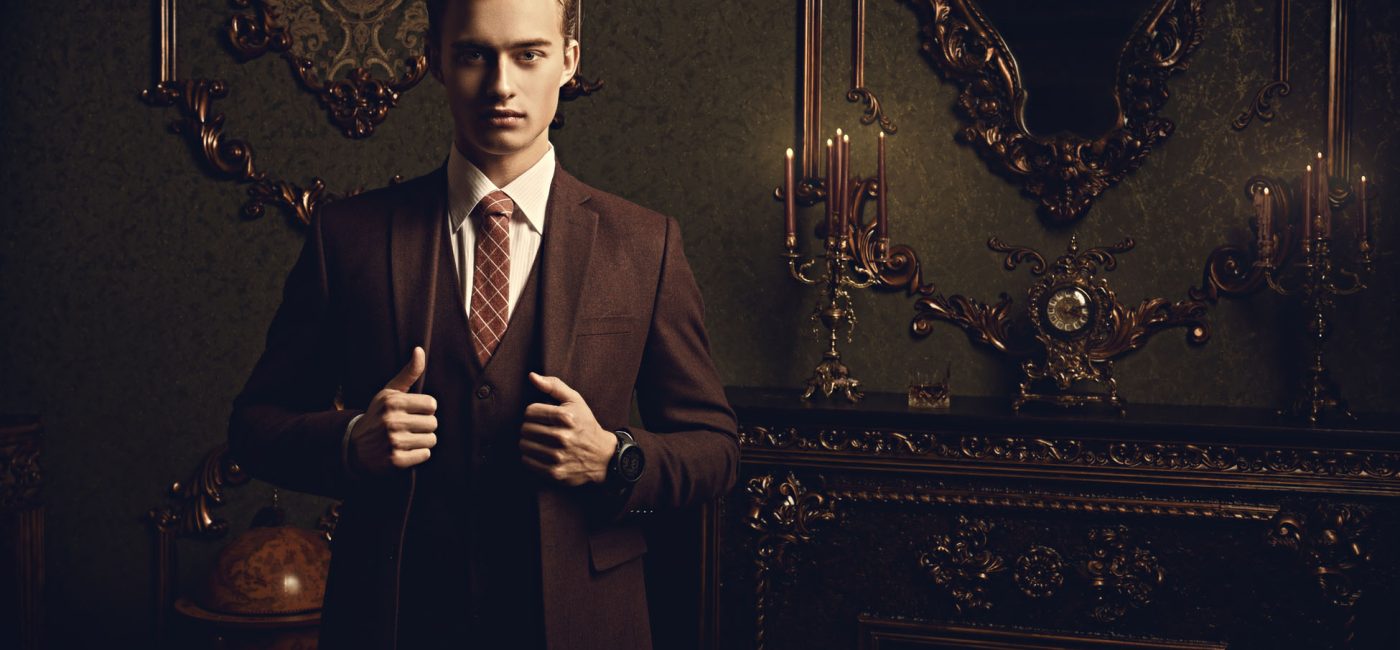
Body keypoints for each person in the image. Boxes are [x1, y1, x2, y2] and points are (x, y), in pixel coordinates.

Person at [227, 0, 739, 647]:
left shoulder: (644, 244)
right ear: (436, 61)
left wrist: (616, 459)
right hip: (393, 618)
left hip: (583, 622)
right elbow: (254, 424)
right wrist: (351, 439)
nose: (502, 85)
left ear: (568, 61)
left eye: (528, 54)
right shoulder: (348, 237)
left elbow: (716, 447)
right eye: (475, 55)